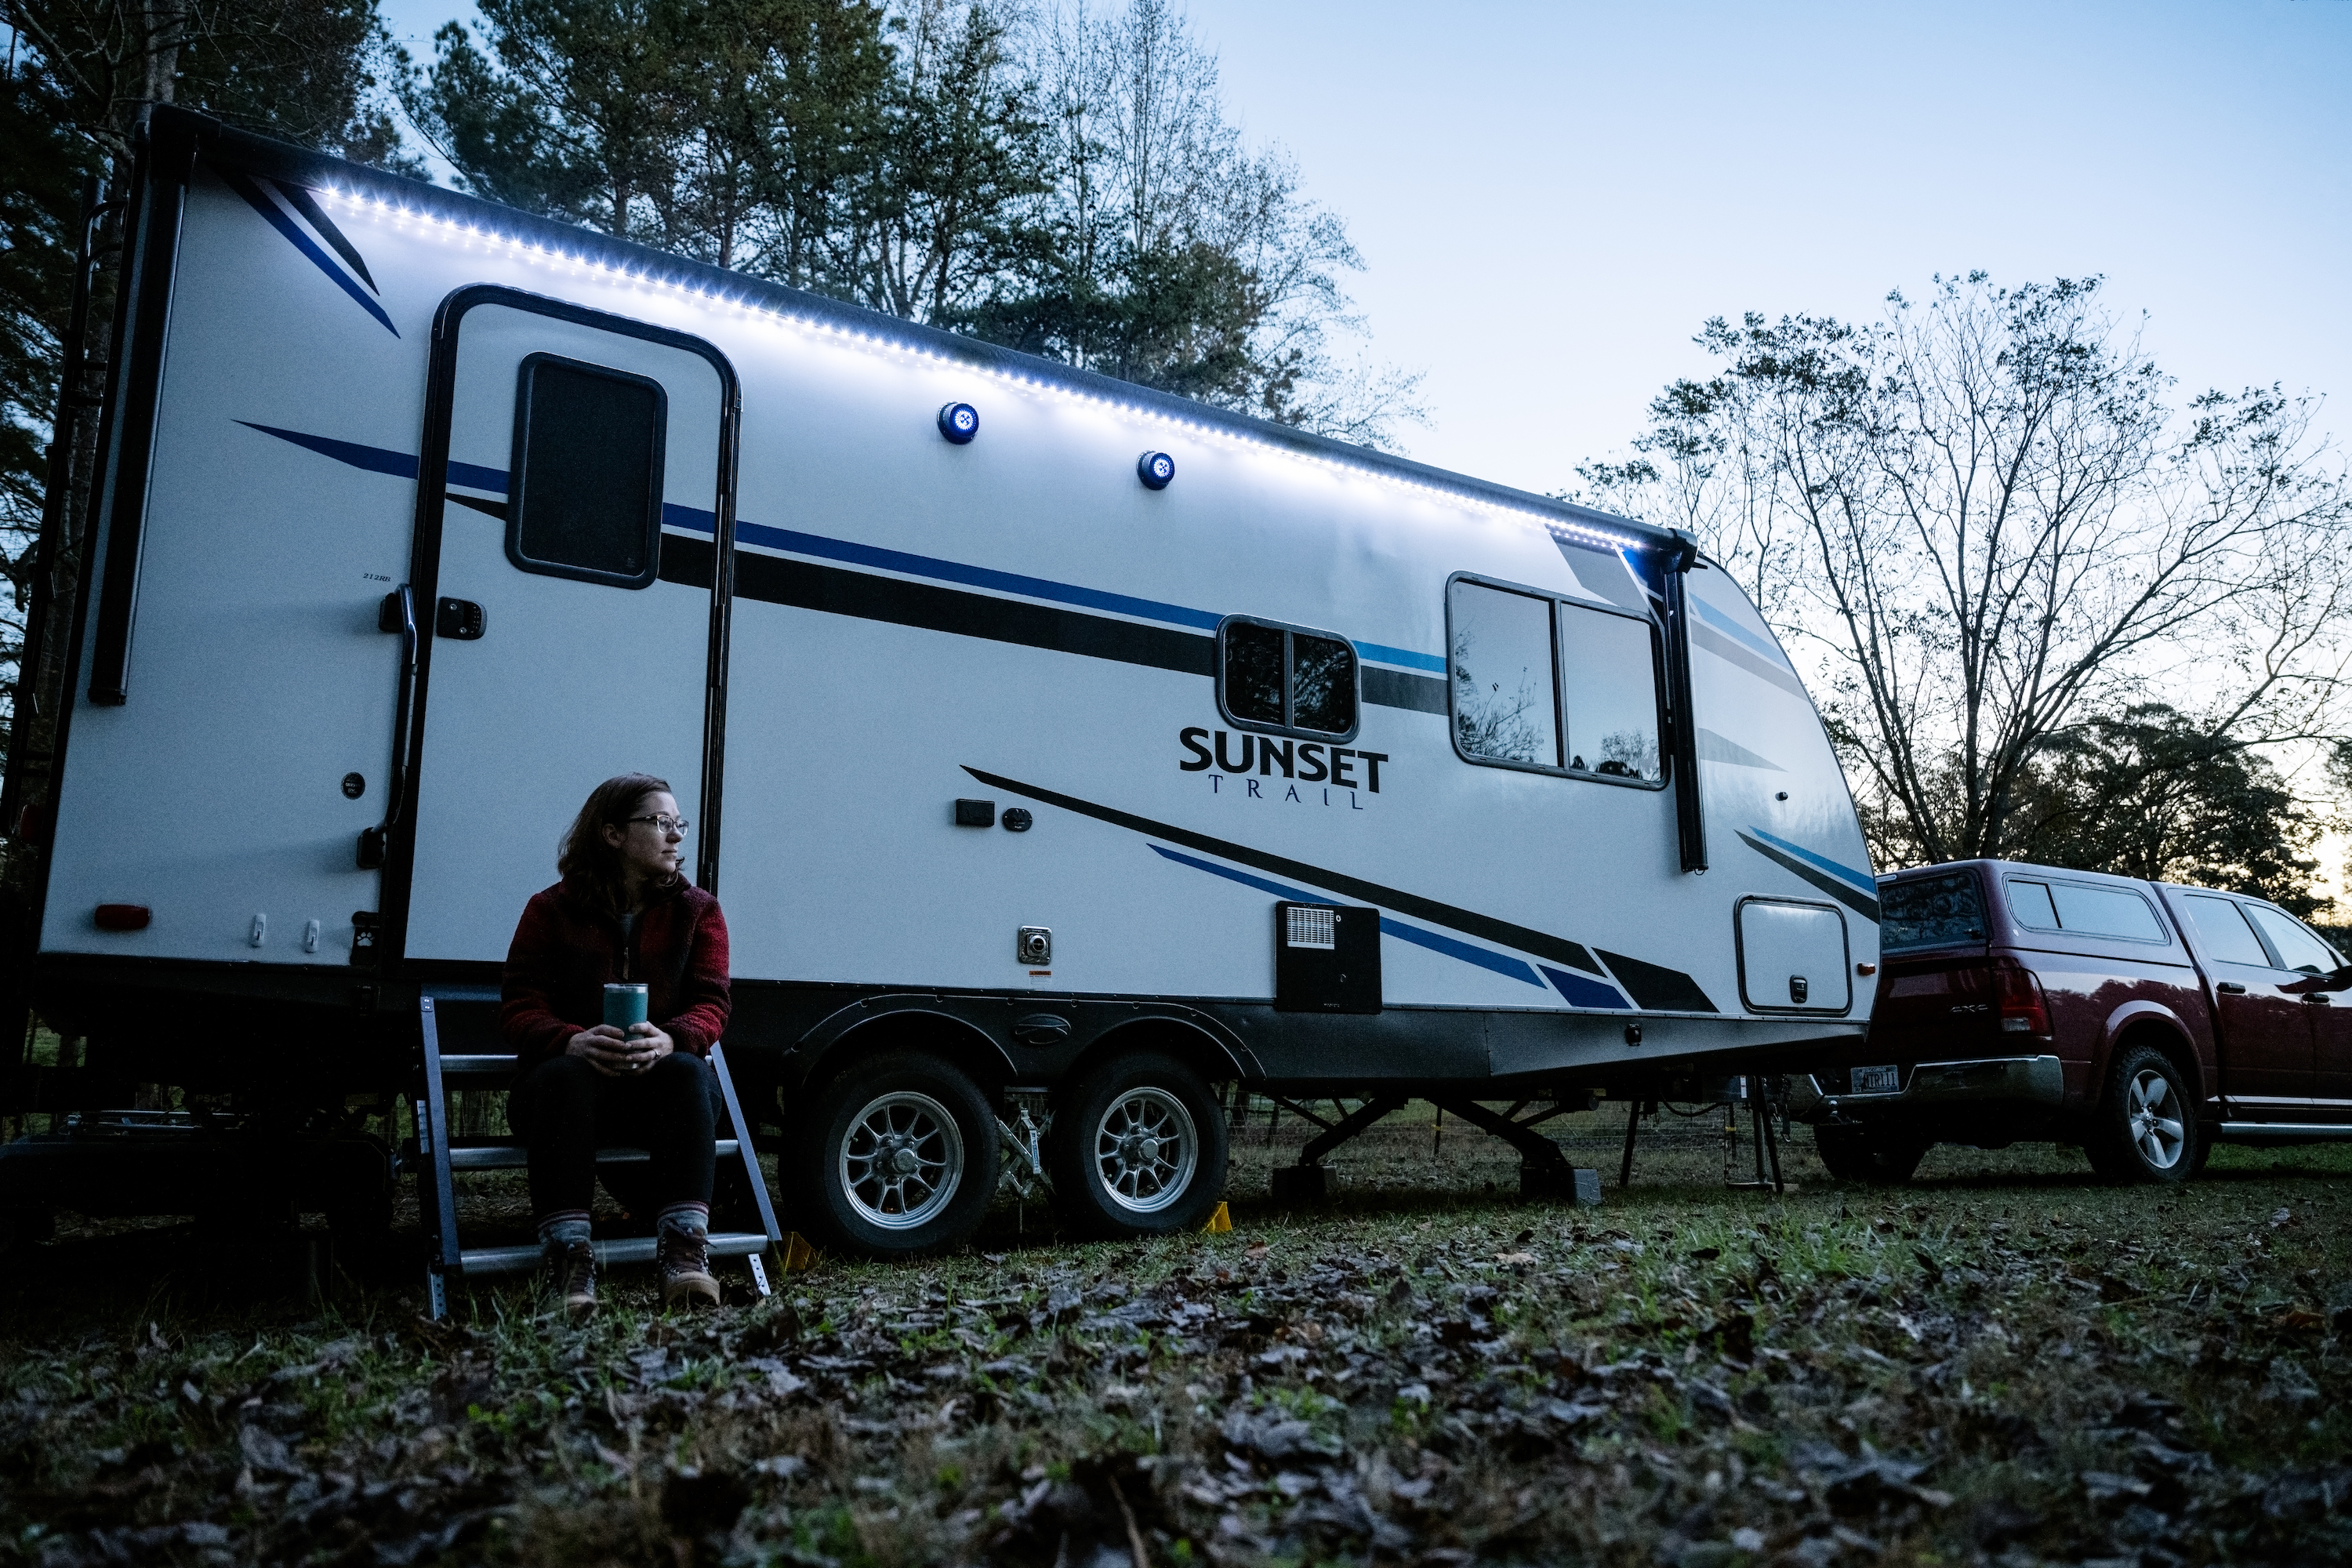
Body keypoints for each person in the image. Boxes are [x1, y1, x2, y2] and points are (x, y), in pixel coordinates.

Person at [500, 773, 732, 1315]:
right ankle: (568, 1264)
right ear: (611, 834)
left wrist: (671, 1037)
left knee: (687, 1070)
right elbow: (518, 1007)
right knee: (565, 1075)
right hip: (565, 1097)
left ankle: (684, 1257)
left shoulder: (698, 911)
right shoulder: (549, 909)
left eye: (679, 824)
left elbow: (713, 1003)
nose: (676, 836)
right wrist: (570, 1041)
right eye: (660, 822)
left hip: (657, 1098)